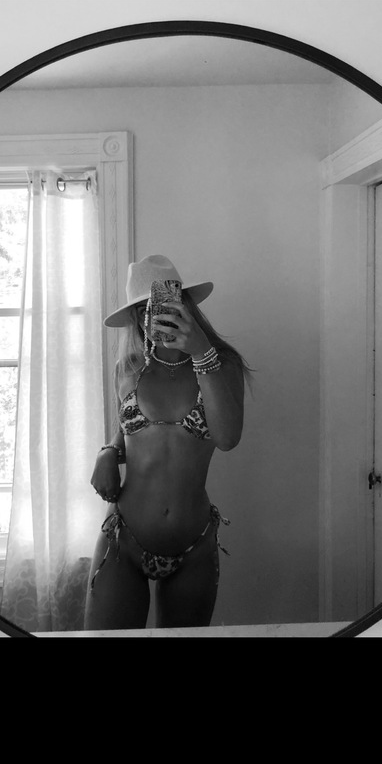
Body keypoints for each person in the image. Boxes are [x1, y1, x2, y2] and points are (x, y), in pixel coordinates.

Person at [84, 254, 250, 631]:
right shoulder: (128, 368)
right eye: (142, 308)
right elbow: (133, 431)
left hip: (194, 545)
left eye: (162, 304)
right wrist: (108, 452)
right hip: (123, 538)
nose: (154, 315)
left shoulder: (223, 364)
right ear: (135, 316)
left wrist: (201, 351)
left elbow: (227, 438)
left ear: (184, 304)